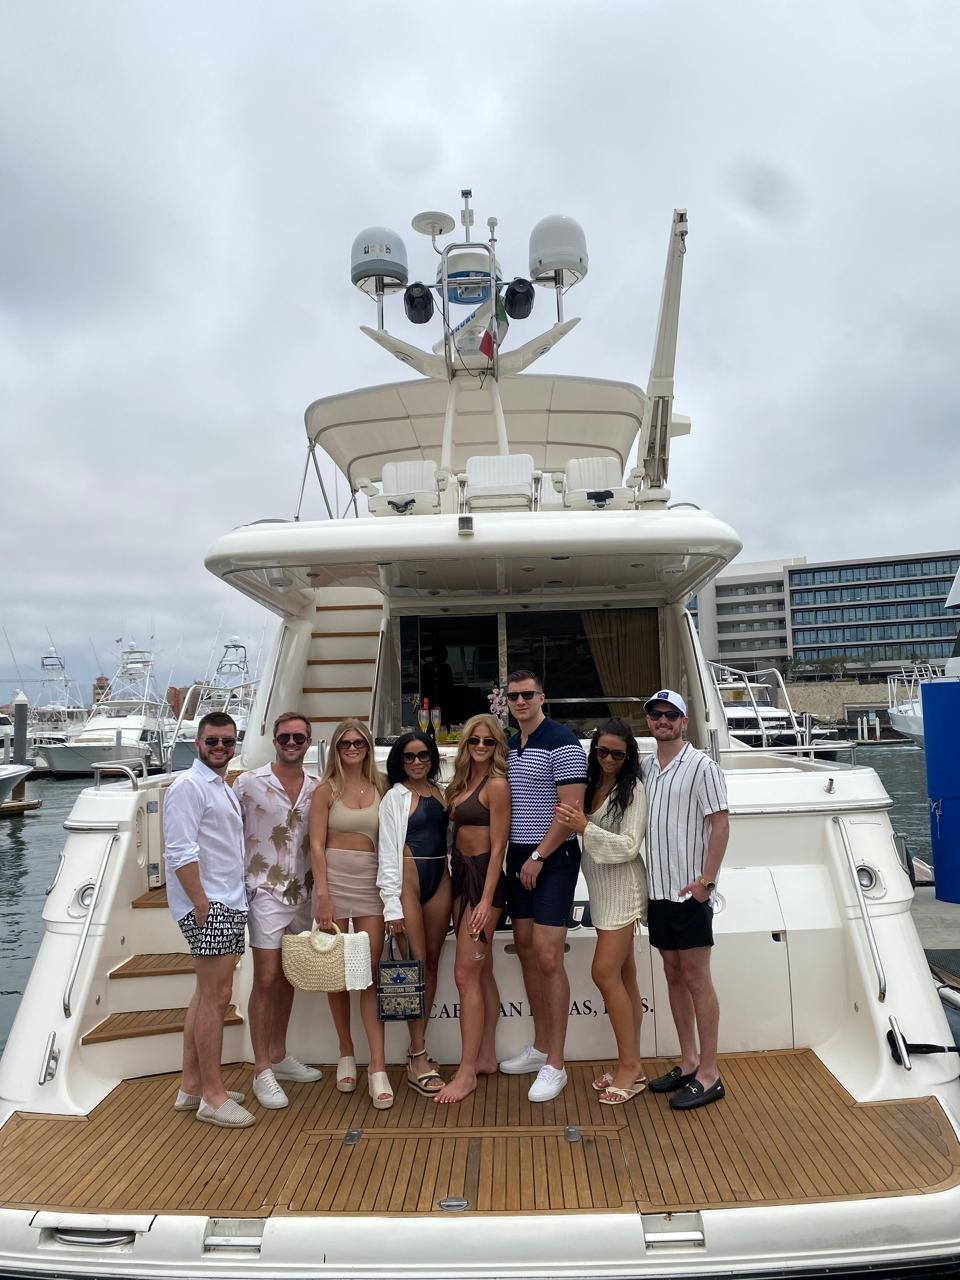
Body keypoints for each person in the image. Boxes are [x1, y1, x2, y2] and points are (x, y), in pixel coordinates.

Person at [499, 670, 587, 1103]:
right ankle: (539, 1046)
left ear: (541, 697)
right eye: (513, 696)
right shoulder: (510, 744)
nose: (520, 701)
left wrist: (539, 857)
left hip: (552, 859)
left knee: (549, 956)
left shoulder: (562, 741)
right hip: (518, 856)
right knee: (526, 950)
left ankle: (557, 1062)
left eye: (527, 695)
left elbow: (570, 811)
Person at [163, 711, 254, 1127]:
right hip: (211, 904)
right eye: (212, 741)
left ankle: (192, 1086)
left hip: (226, 900)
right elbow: (179, 851)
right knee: (216, 999)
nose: (220, 748)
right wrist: (203, 905)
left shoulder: (221, 786)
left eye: (227, 742)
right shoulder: (189, 786)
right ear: (198, 743)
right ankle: (213, 1098)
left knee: (205, 995)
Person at [640, 689, 730, 1110]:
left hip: (689, 893)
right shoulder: (645, 768)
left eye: (670, 715)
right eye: (656, 714)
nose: (663, 721)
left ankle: (710, 1073)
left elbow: (720, 825)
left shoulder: (702, 767)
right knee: (673, 974)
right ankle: (689, 1061)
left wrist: (706, 883)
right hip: (658, 892)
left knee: (697, 978)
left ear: (683, 721)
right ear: (649, 721)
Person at [556, 718, 648, 1106]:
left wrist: (584, 828)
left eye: (617, 754)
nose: (608, 759)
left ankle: (629, 1067)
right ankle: (633, 1064)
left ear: (629, 757)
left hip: (623, 889)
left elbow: (629, 845)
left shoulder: (634, 790)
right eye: (602, 751)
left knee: (604, 972)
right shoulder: (593, 784)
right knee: (625, 976)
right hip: (600, 890)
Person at [234, 711, 323, 1111]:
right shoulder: (248, 783)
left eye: (298, 738)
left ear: (308, 742)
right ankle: (261, 1069)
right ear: (274, 740)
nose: (291, 743)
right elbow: (227, 831)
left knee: (289, 976)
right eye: (285, 737)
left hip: (303, 891)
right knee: (267, 978)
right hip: (264, 892)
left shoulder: (317, 787)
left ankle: (280, 1054)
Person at [309, 719, 392, 1109]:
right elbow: (315, 845)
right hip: (335, 886)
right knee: (337, 974)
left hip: (371, 884)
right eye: (345, 743)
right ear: (336, 749)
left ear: (368, 747)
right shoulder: (325, 790)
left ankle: (378, 1066)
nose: (353, 748)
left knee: (368, 975)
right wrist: (322, 894)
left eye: (359, 743)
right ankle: (346, 1051)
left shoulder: (382, 786)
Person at [434, 714, 510, 1104]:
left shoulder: (496, 785)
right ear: (465, 744)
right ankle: (486, 1057)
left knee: (465, 975)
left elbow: (499, 848)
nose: (481, 747)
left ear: (497, 746)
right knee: (483, 972)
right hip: (461, 877)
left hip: (483, 881)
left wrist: (485, 900)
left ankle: (466, 1072)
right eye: (474, 741)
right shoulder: (460, 783)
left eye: (488, 742)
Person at [378, 730, 451, 1097]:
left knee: (433, 961)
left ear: (432, 757)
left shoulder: (443, 792)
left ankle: (417, 1048)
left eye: (423, 755)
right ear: (400, 761)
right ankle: (418, 1056)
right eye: (409, 756)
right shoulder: (394, 797)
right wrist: (391, 906)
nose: (417, 762)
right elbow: (387, 853)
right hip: (409, 877)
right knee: (415, 964)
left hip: (441, 875)